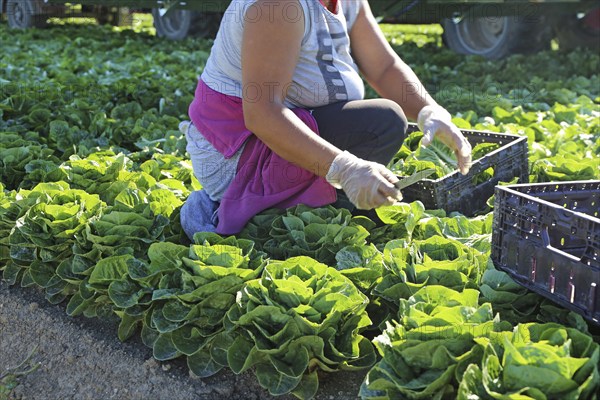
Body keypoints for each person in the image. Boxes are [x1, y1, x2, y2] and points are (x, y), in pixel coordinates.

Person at [180, 0, 472, 239]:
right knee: (381, 123)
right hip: (237, 155)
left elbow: (383, 66)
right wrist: (344, 169)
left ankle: (323, 202)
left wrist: (429, 112)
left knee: (378, 121)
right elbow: (262, 114)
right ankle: (274, 213)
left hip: (289, 130)